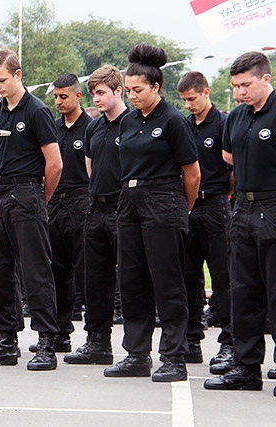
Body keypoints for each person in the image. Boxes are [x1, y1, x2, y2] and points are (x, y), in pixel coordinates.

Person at [103, 44, 200, 382]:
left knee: (167, 281)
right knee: (131, 280)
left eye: (138, 90)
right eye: (128, 91)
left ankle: (174, 356)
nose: (133, 97)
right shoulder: (128, 121)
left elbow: (192, 173)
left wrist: (178, 211)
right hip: (129, 201)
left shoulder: (173, 121)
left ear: (156, 87)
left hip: (164, 200)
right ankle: (137, 354)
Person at [0, 49, 62, 371]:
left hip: (27, 192)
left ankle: (47, 340)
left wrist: (38, 200)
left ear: (18, 75)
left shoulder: (36, 111)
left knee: (36, 271)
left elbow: (54, 163)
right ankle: (4, 340)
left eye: (2, 80)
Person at [204, 51, 276, 394]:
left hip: (274, 206)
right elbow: (228, 156)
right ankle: (247, 368)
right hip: (242, 209)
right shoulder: (235, 117)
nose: (238, 93)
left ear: (266, 78)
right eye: (235, 86)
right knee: (244, 293)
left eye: (245, 85)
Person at [64, 65, 129, 365]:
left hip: (123, 207)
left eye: (102, 92)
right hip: (96, 206)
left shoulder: (131, 123)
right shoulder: (95, 126)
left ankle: (135, 347)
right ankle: (97, 342)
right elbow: (90, 166)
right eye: (94, 93)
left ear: (118, 90)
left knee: (130, 278)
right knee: (94, 279)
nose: (97, 99)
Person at [28, 73, 91, 355]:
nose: (58, 101)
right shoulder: (51, 127)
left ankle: (94, 336)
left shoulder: (90, 127)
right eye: (55, 96)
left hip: (81, 200)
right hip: (54, 201)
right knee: (55, 271)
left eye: (64, 96)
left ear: (78, 96)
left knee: (85, 271)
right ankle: (59, 332)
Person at [176, 71, 233, 370]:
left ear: (206, 92)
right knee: (188, 276)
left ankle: (229, 341)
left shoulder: (223, 124)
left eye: (192, 99)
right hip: (188, 206)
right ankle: (191, 339)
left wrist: (223, 197)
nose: (188, 105)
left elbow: (231, 169)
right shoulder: (184, 125)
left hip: (214, 204)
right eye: (184, 100)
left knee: (222, 277)